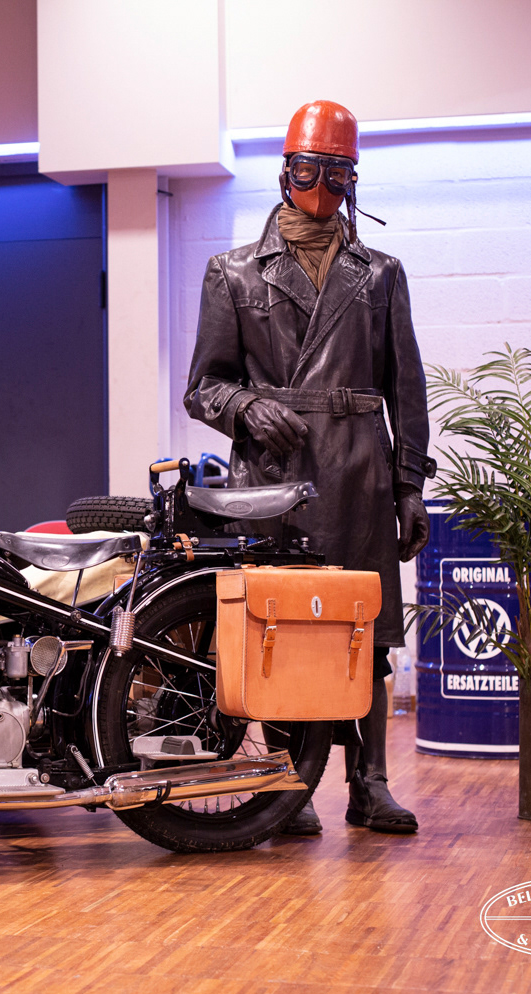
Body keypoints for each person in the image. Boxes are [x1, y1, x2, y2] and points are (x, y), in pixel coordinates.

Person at [184, 99, 433, 835]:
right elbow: (203, 385)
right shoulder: (232, 272)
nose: (320, 185)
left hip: (359, 473)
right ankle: (290, 786)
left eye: (336, 172)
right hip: (273, 476)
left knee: (369, 633)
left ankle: (370, 783)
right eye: (306, 169)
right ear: (284, 173)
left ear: (353, 179)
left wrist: (410, 486)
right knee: (285, 629)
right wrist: (246, 407)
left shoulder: (380, 274)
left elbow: (406, 388)